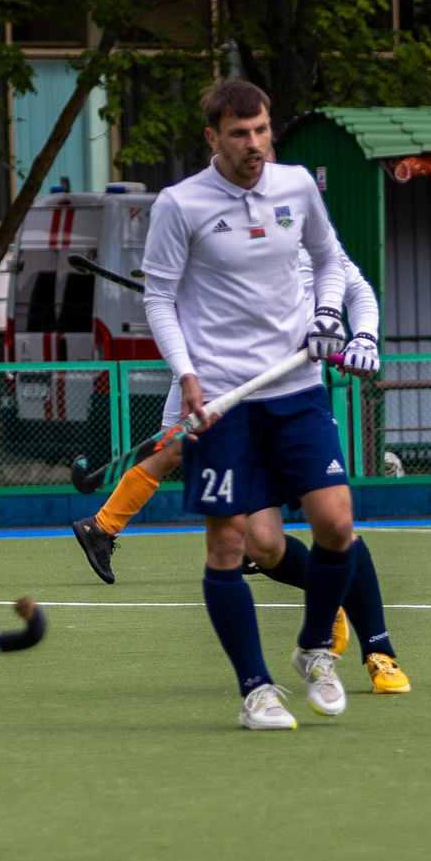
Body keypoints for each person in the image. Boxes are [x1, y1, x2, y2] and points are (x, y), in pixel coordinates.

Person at [141, 77, 374, 731]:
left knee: (336, 523)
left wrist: (328, 315)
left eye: (262, 130)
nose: (255, 144)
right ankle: (255, 690)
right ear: (212, 137)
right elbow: (158, 298)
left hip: (295, 390)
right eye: (239, 133)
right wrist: (186, 375)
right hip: (222, 397)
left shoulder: (296, 186)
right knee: (230, 542)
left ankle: (313, 648)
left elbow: (330, 261)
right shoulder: (179, 204)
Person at [71, 254, 409, 695]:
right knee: (262, 546)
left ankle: (379, 651)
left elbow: (356, 287)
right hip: (234, 411)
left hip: (296, 404)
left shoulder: (299, 232)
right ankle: (326, 602)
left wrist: (363, 335)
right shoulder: (204, 284)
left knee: (335, 524)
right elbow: (173, 438)